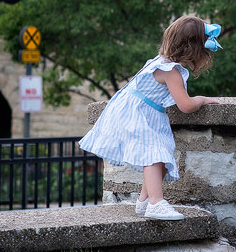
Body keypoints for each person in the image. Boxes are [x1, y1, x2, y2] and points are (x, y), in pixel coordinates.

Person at [79, 16, 222, 221]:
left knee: (161, 156)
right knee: (153, 154)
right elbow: (185, 105)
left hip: (146, 112)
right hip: (138, 113)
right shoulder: (169, 70)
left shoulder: (162, 62)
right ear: (192, 49)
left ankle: (144, 200)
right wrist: (201, 99)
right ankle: (156, 202)